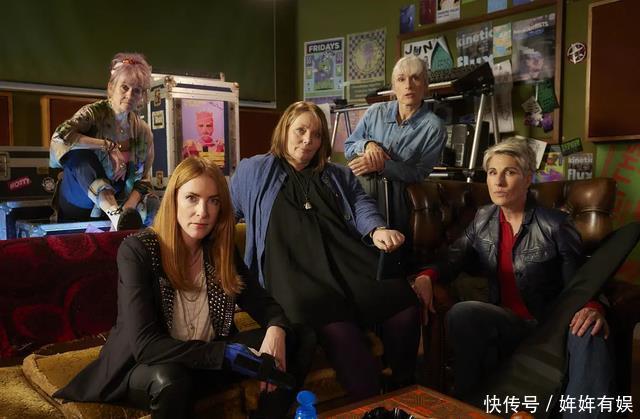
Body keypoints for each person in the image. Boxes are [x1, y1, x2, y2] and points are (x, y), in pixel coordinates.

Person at [54, 157, 315, 418]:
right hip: (147, 366)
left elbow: (264, 304)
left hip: (205, 360)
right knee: (172, 379)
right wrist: (223, 354)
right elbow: (146, 346)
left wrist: (276, 328)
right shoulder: (138, 251)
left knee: (302, 335)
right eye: (192, 198)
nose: (203, 212)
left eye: (213, 201)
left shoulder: (220, 250)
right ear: (174, 200)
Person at [231, 101, 421, 401]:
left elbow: (361, 204)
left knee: (403, 303)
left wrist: (377, 229)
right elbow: (225, 214)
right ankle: (374, 405)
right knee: (339, 329)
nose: (308, 140)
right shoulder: (253, 171)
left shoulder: (336, 174)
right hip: (292, 274)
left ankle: (403, 388)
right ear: (284, 131)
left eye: (317, 134)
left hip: (343, 260)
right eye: (301, 131)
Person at [412, 138, 614, 412]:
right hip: (509, 322)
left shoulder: (555, 224)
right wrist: (427, 276)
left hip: (550, 324)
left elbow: (580, 280)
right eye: (492, 172)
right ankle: (470, 406)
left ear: (528, 178)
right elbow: (453, 257)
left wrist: (592, 307)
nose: (498, 181)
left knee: (590, 329)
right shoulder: (483, 218)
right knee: (463, 313)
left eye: (509, 172)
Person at [344, 55, 447, 278]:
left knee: (387, 260)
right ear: (393, 87)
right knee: (353, 254)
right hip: (361, 191)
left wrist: (383, 166)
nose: (408, 85)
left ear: (425, 85)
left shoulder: (434, 127)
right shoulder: (375, 112)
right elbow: (349, 147)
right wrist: (368, 144)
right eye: (401, 79)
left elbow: (420, 173)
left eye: (415, 78)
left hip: (397, 199)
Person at [50, 52, 158, 231]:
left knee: (152, 203)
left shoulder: (143, 131)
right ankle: (115, 214)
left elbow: (143, 180)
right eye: (124, 87)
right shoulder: (92, 114)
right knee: (79, 155)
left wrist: (127, 210)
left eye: (137, 90)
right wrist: (107, 146)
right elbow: (60, 138)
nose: (130, 94)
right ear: (111, 87)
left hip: (119, 199)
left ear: (141, 96)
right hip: (78, 202)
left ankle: (120, 219)